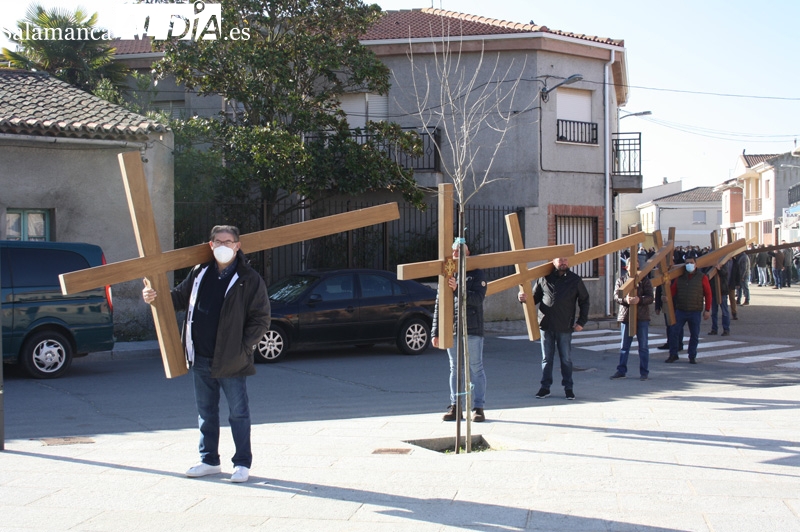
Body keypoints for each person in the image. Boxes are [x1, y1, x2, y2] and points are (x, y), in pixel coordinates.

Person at [142, 225, 270, 483]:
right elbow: (177, 299)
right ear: (211, 245)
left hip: (232, 359)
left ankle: (242, 463)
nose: (223, 245)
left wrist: (244, 347)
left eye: (229, 241)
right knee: (206, 412)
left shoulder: (249, 278)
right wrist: (154, 297)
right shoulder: (199, 273)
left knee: (238, 413)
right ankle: (209, 460)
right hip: (200, 356)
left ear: (237, 245)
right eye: (218, 241)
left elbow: (261, 318)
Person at [518, 256, 590, 400]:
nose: (563, 262)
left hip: (565, 326)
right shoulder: (544, 279)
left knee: (566, 359)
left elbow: (585, 301)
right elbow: (534, 299)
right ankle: (545, 388)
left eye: (565, 260)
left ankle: (568, 388)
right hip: (546, 325)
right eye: (559, 260)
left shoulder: (575, 280)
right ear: (553, 262)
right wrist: (523, 298)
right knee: (546, 359)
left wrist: (581, 322)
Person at [432, 241, 487, 423]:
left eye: (460, 251)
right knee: (455, 369)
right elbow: (439, 304)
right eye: (454, 250)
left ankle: (478, 408)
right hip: (452, 329)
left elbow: (477, 299)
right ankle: (456, 407)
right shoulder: (447, 272)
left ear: (468, 253)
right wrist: (435, 332)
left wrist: (457, 289)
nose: (456, 253)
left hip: (472, 328)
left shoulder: (477, 273)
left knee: (475, 368)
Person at [611, 260, 654, 380]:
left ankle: (644, 372)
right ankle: (621, 370)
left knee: (643, 346)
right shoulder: (621, 280)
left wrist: (639, 299)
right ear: (627, 267)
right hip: (626, 316)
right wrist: (626, 300)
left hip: (642, 317)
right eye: (632, 265)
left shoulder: (644, 280)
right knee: (624, 346)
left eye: (637, 265)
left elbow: (650, 297)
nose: (635, 267)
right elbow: (616, 296)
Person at [666, 255, 712, 364]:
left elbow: (708, 294)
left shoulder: (702, 277)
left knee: (694, 334)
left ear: (695, 264)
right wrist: (666, 296)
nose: (689, 265)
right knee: (674, 332)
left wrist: (707, 309)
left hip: (695, 310)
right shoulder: (680, 277)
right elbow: (672, 291)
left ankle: (692, 355)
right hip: (681, 310)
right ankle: (673, 354)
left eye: (691, 262)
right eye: (687, 263)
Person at [707, 259, 731, 337]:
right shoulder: (710, 265)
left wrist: (719, 269)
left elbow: (725, 273)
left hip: (722, 291)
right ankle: (714, 329)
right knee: (714, 312)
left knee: (724, 312)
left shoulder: (723, 263)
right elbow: (707, 274)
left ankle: (726, 329)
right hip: (713, 291)